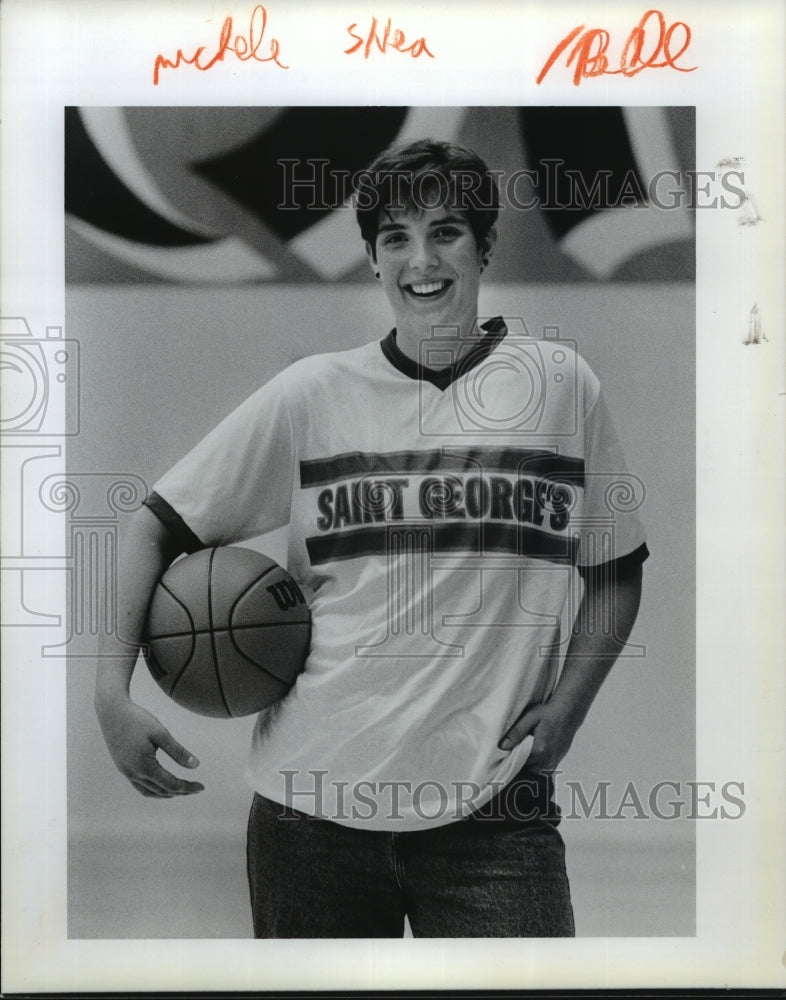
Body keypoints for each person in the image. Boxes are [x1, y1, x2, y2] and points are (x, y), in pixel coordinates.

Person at [96, 138, 647, 938]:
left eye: (446, 232)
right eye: (396, 238)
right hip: (308, 818)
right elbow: (153, 524)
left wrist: (565, 712)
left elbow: (617, 570)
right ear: (372, 259)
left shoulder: (560, 387)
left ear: (486, 244)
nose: (421, 260)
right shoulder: (313, 393)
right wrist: (111, 694)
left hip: (494, 816)